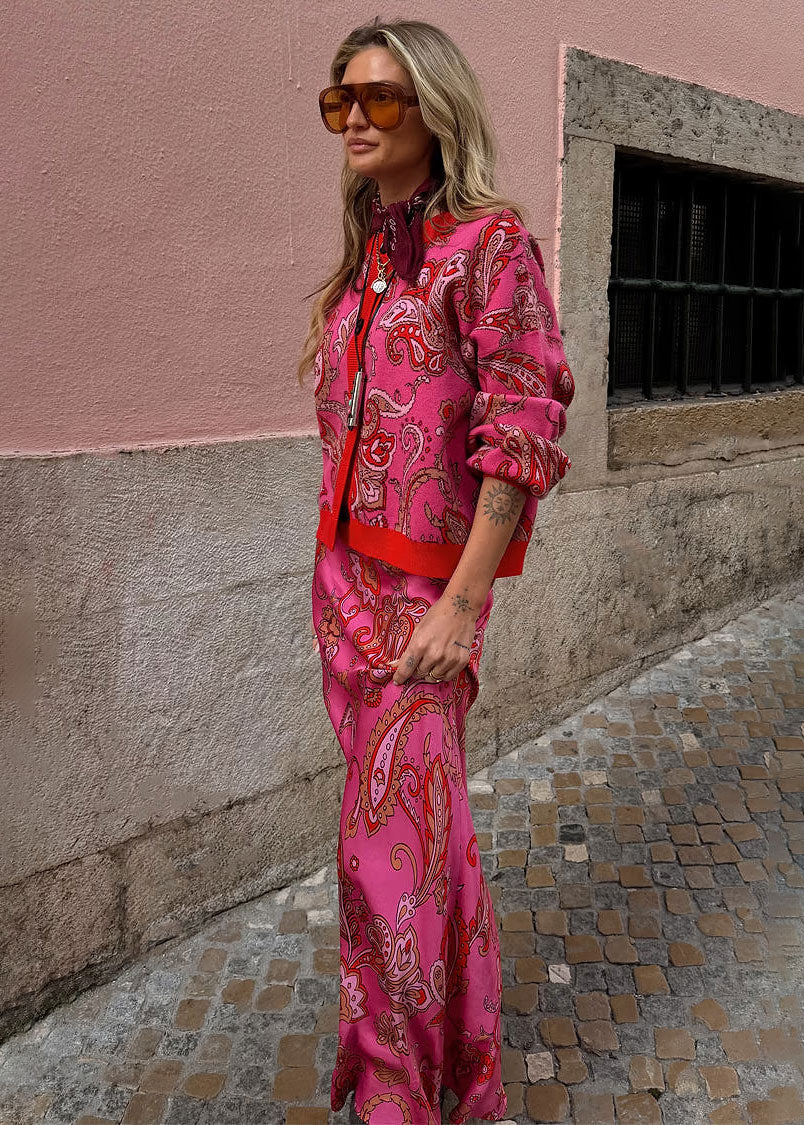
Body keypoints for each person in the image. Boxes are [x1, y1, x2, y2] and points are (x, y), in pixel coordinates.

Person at [297, 18, 575, 1125]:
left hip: (423, 600)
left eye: (380, 98)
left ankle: (397, 1094)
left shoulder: (488, 245)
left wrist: (463, 605)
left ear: (437, 108)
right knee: (419, 849)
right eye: (340, 100)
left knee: (383, 852)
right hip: (343, 585)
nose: (354, 119)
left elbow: (524, 425)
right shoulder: (369, 251)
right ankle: (457, 1067)